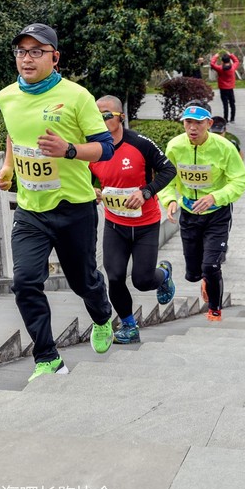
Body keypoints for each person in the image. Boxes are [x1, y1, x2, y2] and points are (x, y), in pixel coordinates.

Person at [0, 23, 117, 380]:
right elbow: (15, 134)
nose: (27, 59)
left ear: (55, 57)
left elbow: (105, 147)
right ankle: (47, 358)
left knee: (83, 282)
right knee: (25, 282)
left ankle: (100, 314)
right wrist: (8, 166)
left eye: (36, 52)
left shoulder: (77, 96)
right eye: (21, 51)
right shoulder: (6, 96)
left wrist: (69, 150)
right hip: (31, 210)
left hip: (73, 208)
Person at [89, 95, 177, 344]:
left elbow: (169, 170)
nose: (101, 120)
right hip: (115, 224)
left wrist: (146, 192)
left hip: (146, 225)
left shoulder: (140, 143)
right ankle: (129, 325)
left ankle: (164, 274)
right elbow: (81, 176)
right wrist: (91, 191)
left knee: (142, 280)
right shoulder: (92, 148)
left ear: (120, 117)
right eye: (97, 115)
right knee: (114, 276)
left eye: (106, 115)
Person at [159, 100, 245, 321]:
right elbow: (165, 179)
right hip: (189, 214)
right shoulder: (175, 147)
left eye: (198, 123)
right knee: (193, 274)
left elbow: (240, 180)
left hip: (217, 214)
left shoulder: (224, 148)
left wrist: (215, 197)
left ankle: (215, 309)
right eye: (188, 122)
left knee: (211, 265)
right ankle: (195, 277)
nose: (193, 128)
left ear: (208, 123)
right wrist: (170, 199)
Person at [210, 52, 240, 122]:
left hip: (223, 88)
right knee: (232, 103)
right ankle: (232, 118)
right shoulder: (232, 68)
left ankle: (225, 119)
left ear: (222, 61)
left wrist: (215, 56)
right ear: (229, 61)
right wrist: (231, 55)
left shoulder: (220, 68)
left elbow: (212, 64)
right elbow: (236, 61)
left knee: (225, 104)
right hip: (230, 88)